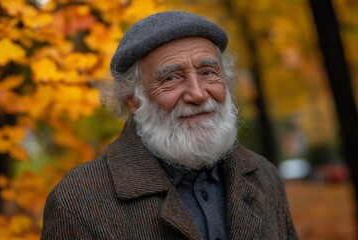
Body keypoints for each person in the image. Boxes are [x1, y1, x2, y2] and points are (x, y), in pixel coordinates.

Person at [41, 10, 298, 240]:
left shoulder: (265, 176)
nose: (198, 94)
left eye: (208, 72)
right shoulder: (78, 201)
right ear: (133, 100)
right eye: (172, 78)